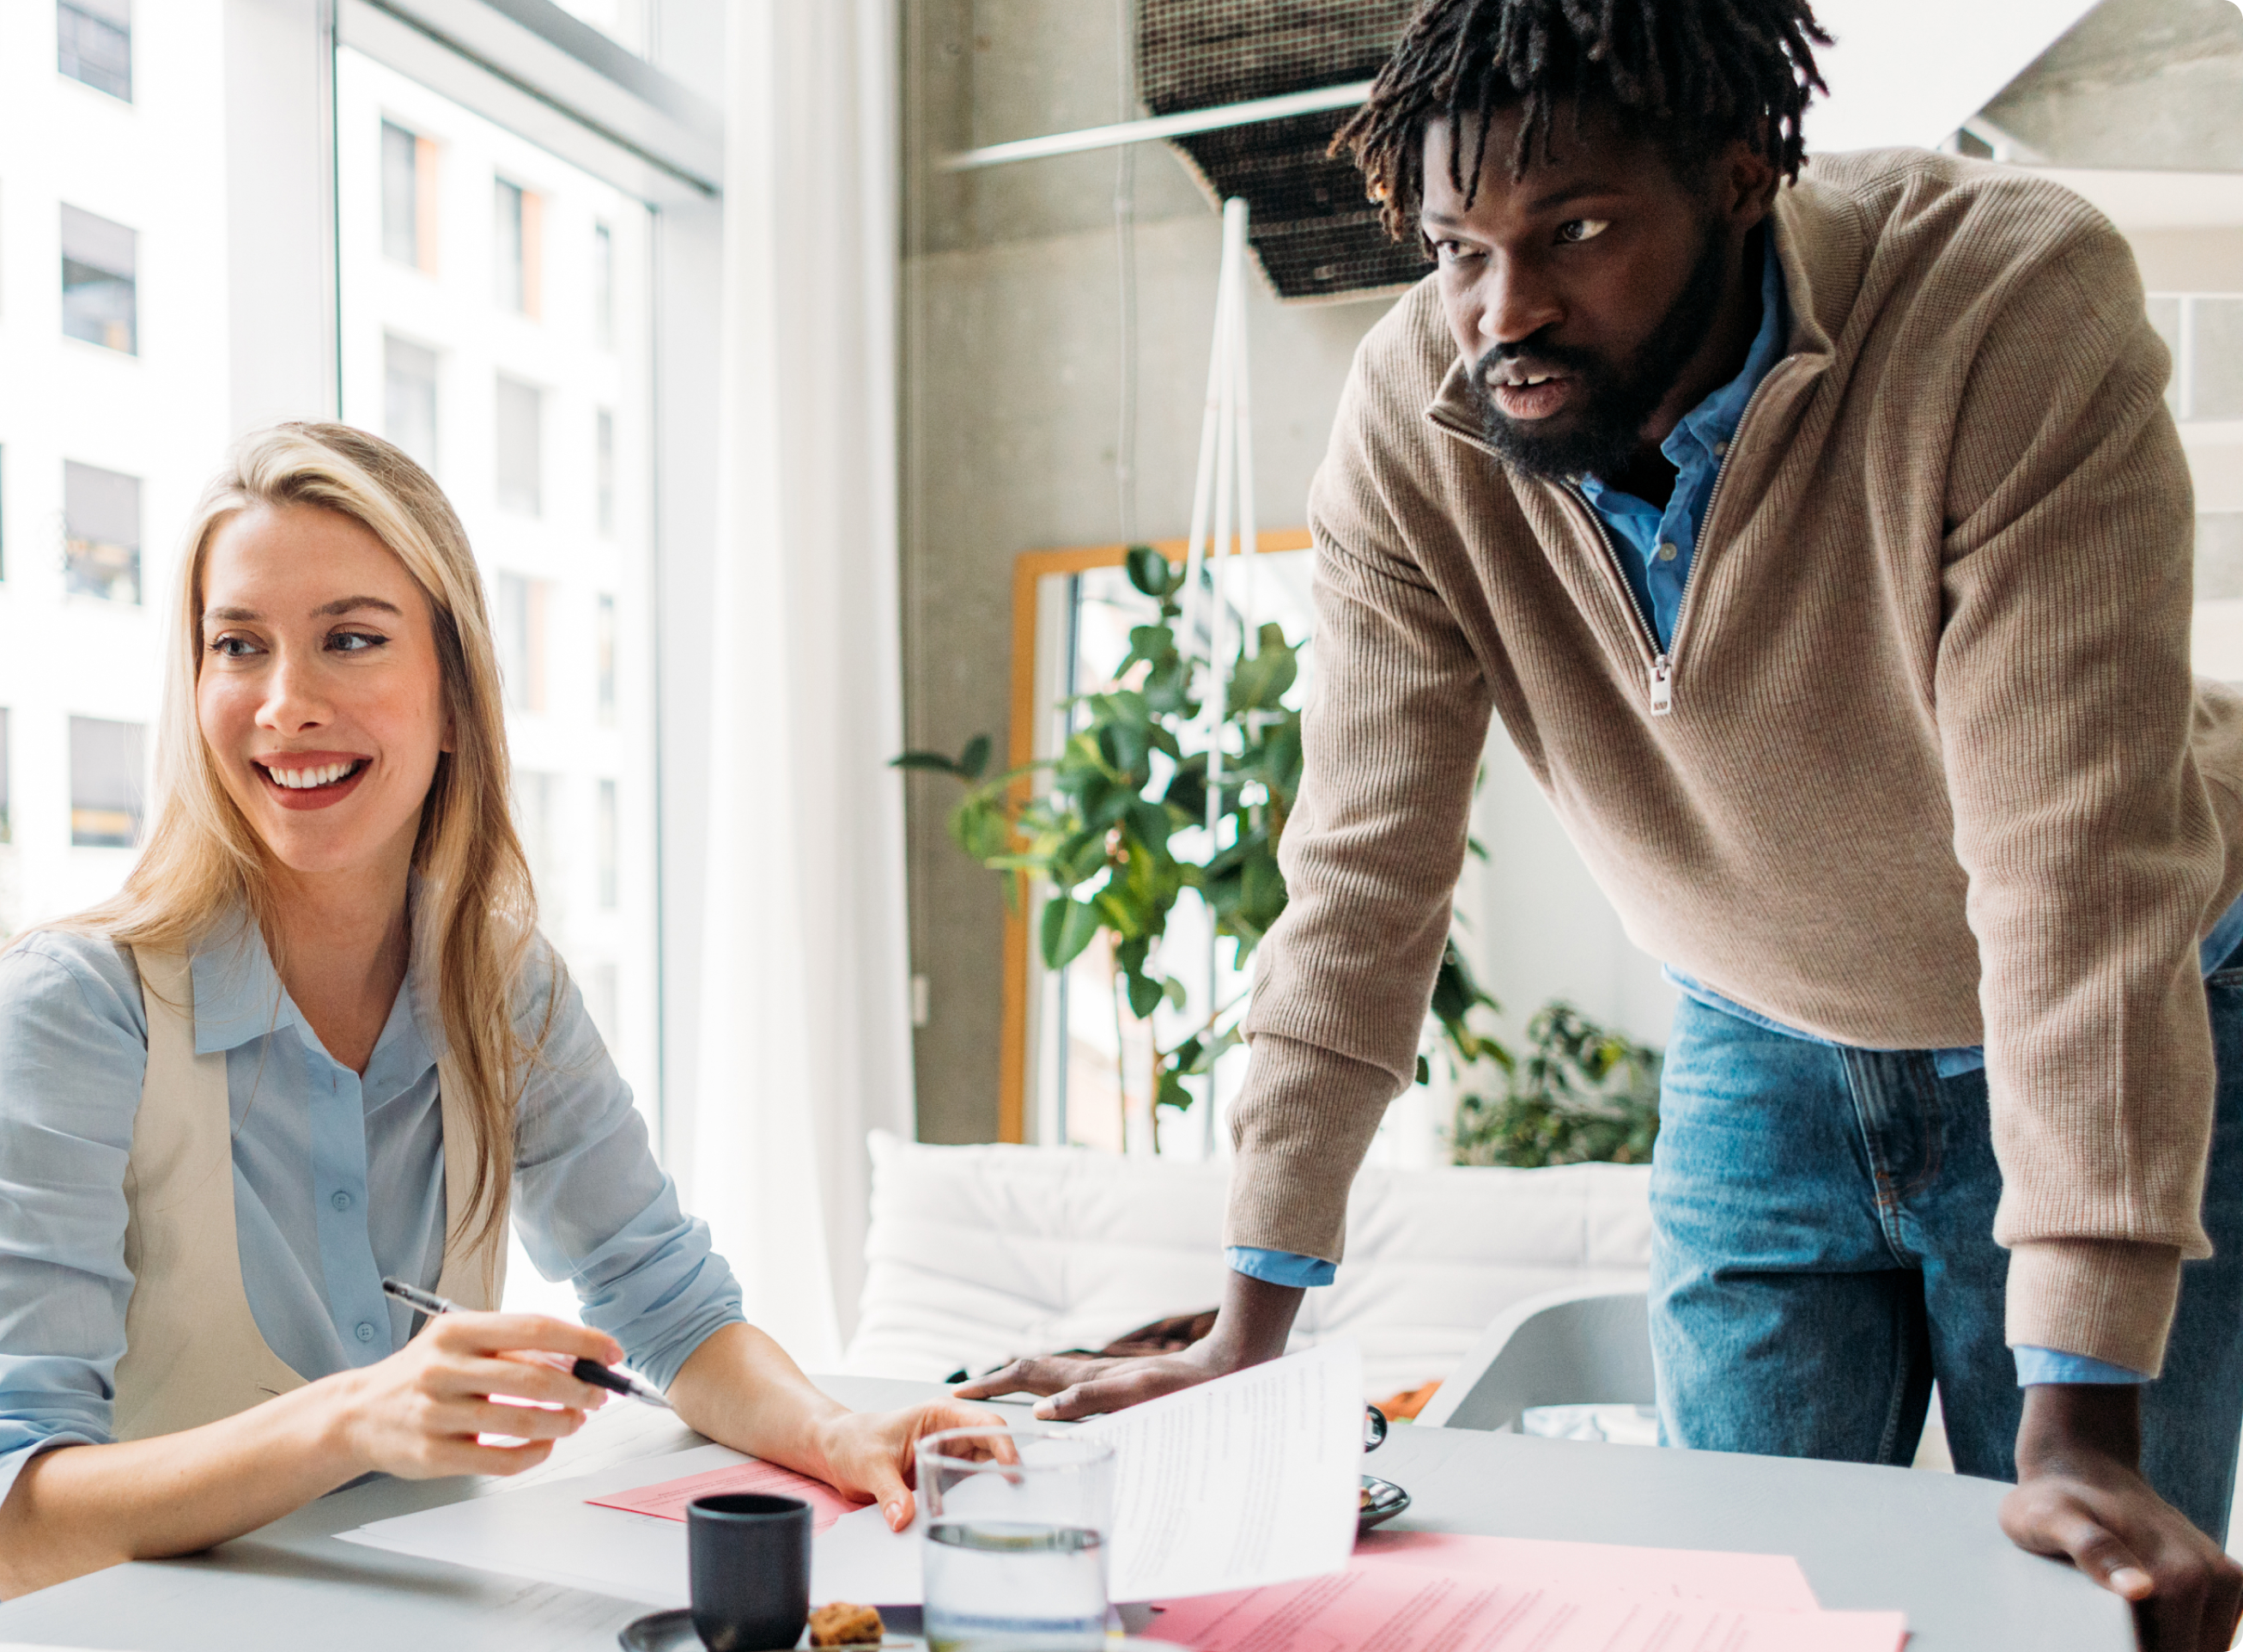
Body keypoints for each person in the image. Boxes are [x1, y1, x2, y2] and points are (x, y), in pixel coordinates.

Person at [946, 2, 2243, 1646]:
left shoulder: (2003, 304)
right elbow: (1359, 878)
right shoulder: (1420, 415)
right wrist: (1244, 1337)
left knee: (2073, 1610)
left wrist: (2082, 1435)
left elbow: (2078, 875)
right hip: (1761, 1033)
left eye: (1576, 232)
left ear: (1742, 169)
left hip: (2118, 1011)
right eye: (1458, 248)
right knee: (1746, 1610)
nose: (1506, 309)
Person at [0, 422, 1003, 1618]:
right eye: (239, 647)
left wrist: (842, 1435)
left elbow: (669, 1309)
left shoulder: (503, 987)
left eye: (352, 640)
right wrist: (351, 1414)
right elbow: (4, 1530)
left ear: (454, 702)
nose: (285, 704)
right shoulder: (75, 1008)